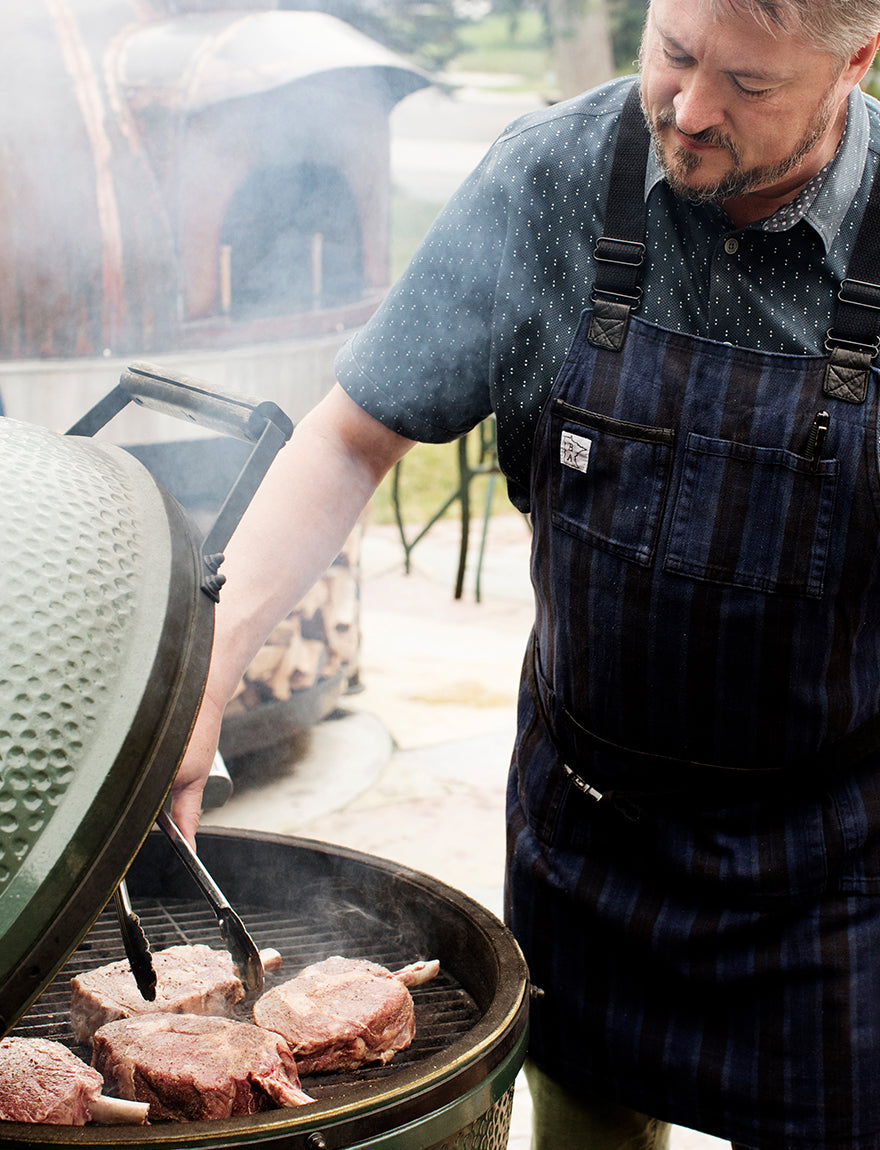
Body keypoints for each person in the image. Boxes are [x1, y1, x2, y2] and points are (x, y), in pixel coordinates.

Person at [171, 0, 880, 1145]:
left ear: (855, 61)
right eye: (674, 54)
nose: (691, 112)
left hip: (831, 871)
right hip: (590, 842)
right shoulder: (549, 179)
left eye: (747, 87)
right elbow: (353, 437)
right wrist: (203, 677)